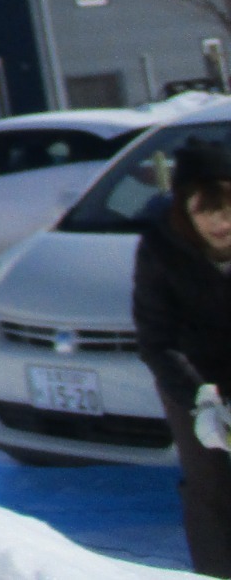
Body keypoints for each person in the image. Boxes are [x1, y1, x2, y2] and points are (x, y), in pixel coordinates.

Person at [135, 138, 231, 577]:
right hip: (193, 381)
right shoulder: (160, 248)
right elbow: (157, 338)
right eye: (205, 210)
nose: (220, 222)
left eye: (228, 207)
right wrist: (200, 398)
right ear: (184, 210)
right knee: (210, 487)